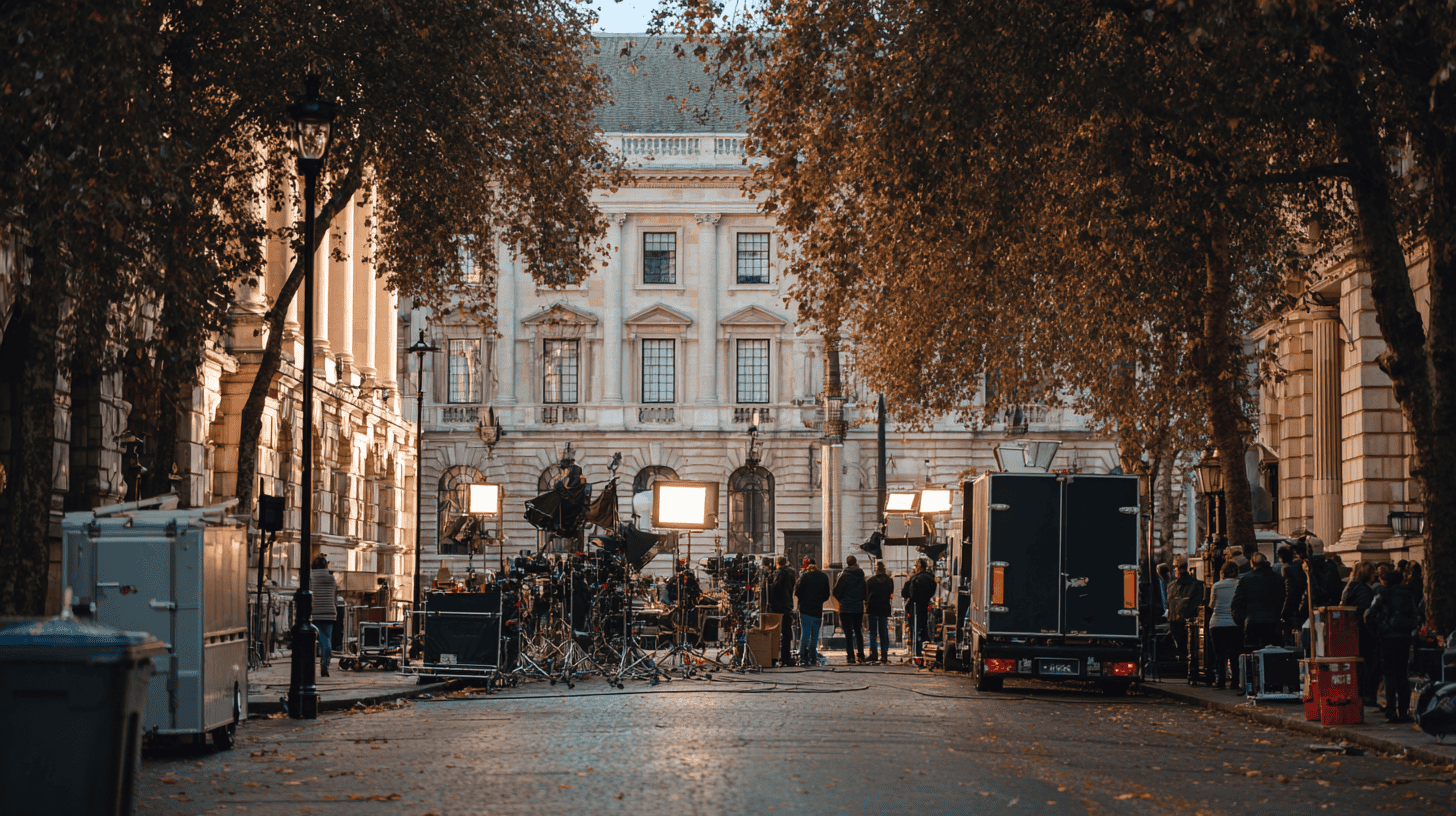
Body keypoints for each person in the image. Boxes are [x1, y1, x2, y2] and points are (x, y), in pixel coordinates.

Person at [1366, 567, 1420, 723]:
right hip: (1404, 638)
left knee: (1390, 676)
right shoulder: (1408, 594)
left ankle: (1391, 711)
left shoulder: (1383, 594)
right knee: (1402, 674)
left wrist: (1378, 630)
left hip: (1388, 638)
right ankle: (1403, 711)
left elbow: (1368, 615)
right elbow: (1415, 615)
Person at [1340, 560, 1380, 708]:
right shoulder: (1364, 590)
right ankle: (1367, 695)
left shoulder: (1351, 587)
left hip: (1354, 631)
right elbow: (1365, 613)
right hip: (1364, 632)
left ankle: (1361, 694)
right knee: (1369, 664)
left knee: (1360, 665)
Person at [1232, 552, 1284, 656]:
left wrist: (1242, 621)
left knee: (1252, 654)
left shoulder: (1246, 579)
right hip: (1273, 622)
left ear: (1252, 563)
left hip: (1252, 622)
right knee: (1273, 655)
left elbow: (1237, 603)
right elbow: (1282, 599)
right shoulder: (1277, 578)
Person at [1207, 561, 1242, 690]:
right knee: (1235, 654)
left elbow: (1211, 605)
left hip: (1217, 623)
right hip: (1234, 623)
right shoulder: (1240, 584)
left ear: (1223, 573)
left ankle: (1221, 681)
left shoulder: (1216, 586)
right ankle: (1235, 681)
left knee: (1220, 655)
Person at [1165, 558, 1205, 666]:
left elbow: (1170, 604)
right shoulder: (1197, 585)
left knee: (1181, 650)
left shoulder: (1172, 586)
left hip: (1176, 623)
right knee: (1189, 651)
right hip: (1186, 623)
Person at [794, 558, 831, 666]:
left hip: (805, 610)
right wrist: (819, 601)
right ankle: (813, 656)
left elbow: (797, 592)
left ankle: (802, 656)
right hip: (817, 610)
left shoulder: (804, 576)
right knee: (815, 635)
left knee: (805, 634)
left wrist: (803, 600)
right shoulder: (823, 576)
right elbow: (827, 594)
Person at [832, 555, 868, 663]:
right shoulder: (861, 576)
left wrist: (842, 600)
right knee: (858, 631)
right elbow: (865, 592)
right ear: (856, 562)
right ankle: (861, 655)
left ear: (847, 563)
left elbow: (835, 592)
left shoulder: (844, 576)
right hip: (858, 607)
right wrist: (860, 600)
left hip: (846, 608)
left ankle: (851, 656)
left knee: (848, 633)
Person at [901, 558, 938, 659]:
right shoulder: (931, 578)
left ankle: (916, 651)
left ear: (919, 567)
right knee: (924, 627)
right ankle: (923, 650)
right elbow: (932, 592)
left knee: (915, 628)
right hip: (925, 606)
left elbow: (905, 593)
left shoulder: (913, 579)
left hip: (914, 607)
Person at [309, 555, 339, 678]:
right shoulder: (331, 578)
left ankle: (309, 667)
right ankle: (324, 665)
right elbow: (334, 597)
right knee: (326, 640)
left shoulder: (310, 577)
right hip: (329, 614)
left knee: (311, 642)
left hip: (314, 613)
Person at [769, 555, 799, 667]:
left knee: (776, 632)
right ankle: (786, 657)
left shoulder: (779, 574)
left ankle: (774, 657)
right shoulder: (791, 574)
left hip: (778, 607)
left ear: (777, 563)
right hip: (787, 606)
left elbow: (774, 589)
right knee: (787, 633)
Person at [865, 561, 894, 663]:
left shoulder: (870, 580)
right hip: (884, 608)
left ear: (876, 569)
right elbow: (891, 594)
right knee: (884, 632)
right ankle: (884, 654)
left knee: (873, 632)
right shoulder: (889, 580)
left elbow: (866, 595)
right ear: (884, 569)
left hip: (872, 608)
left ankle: (874, 654)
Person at [1279, 544, 1307, 647]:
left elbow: (1289, 591)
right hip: (1302, 603)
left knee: (1291, 635)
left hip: (1293, 607)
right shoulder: (1299, 565)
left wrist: (1285, 610)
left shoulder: (1287, 569)